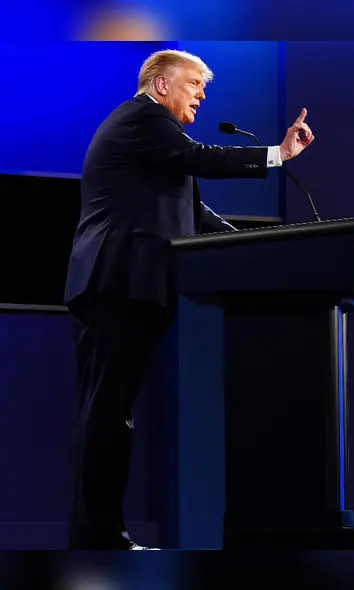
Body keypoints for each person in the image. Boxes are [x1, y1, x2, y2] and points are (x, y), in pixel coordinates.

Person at [63, 49, 315, 550]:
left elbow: (195, 212)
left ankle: (99, 534)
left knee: (113, 412)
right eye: (195, 84)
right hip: (117, 281)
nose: (201, 95)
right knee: (108, 413)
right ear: (161, 85)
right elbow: (200, 157)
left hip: (131, 285)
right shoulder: (144, 120)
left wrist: (261, 246)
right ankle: (98, 539)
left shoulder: (158, 142)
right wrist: (276, 154)